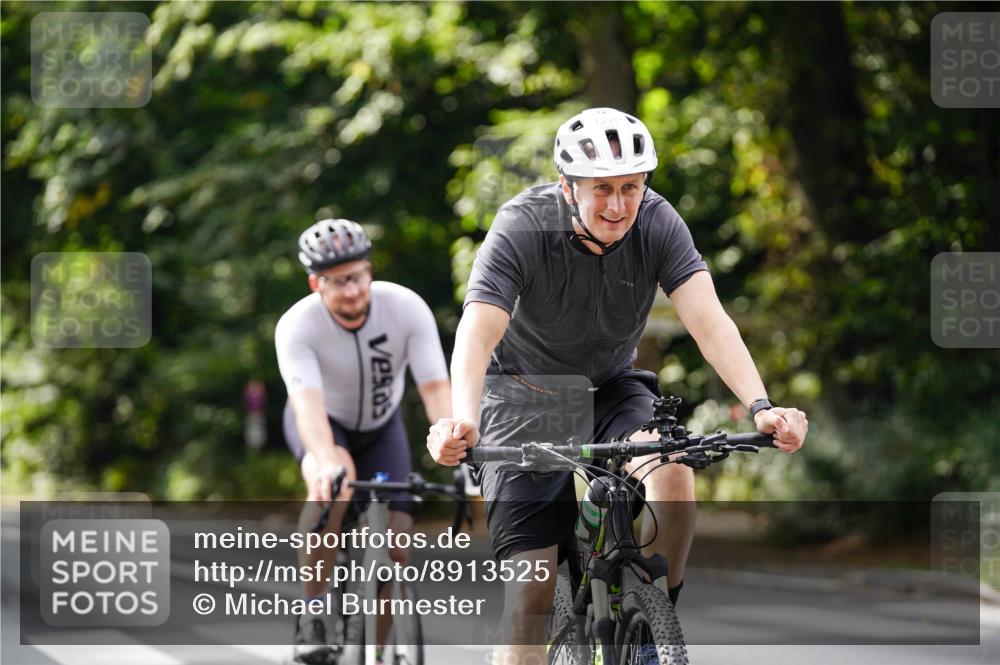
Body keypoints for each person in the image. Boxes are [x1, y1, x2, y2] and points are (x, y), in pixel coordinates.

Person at [426, 108, 809, 665]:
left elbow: (708, 319)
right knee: (530, 595)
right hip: (520, 397)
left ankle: (655, 623)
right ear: (567, 186)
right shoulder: (522, 226)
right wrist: (462, 420)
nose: (617, 204)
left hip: (610, 386)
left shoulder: (657, 221)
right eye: (601, 188)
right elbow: (477, 333)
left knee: (673, 469)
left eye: (631, 187)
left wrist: (761, 405)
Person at [275, 218, 451, 664]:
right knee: (336, 482)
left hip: (380, 425)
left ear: (369, 271)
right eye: (337, 282)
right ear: (316, 283)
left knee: (398, 541)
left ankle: (373, 650)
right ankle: (312, 612)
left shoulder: (405, 308)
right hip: (322, 421)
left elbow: (434, 389)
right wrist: (325, 460)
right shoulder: (297, 325)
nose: (350, 291)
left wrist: (455, 441)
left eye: (356, 277)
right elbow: (308, 406)